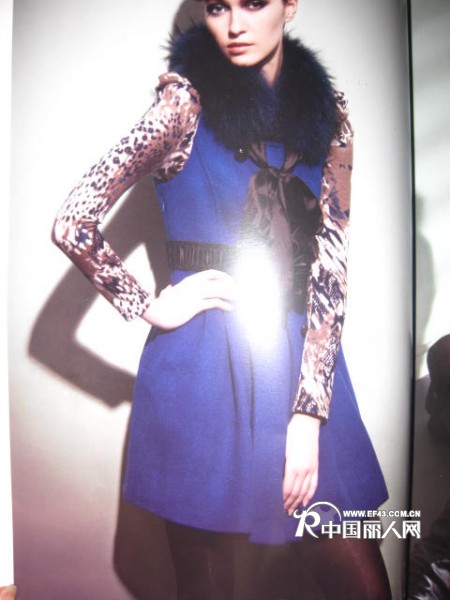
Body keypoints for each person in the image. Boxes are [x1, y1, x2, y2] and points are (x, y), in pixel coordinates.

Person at [52, 1, 391, 597]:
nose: (234, 25)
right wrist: (148, 304)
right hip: (202, 371)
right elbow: (73, 221)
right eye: (216, 6)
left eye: (253, 3)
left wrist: (309, 414)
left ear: (289, 5)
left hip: (301, 365)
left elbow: (331, 266)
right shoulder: (182, 104)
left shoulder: (332, 118)